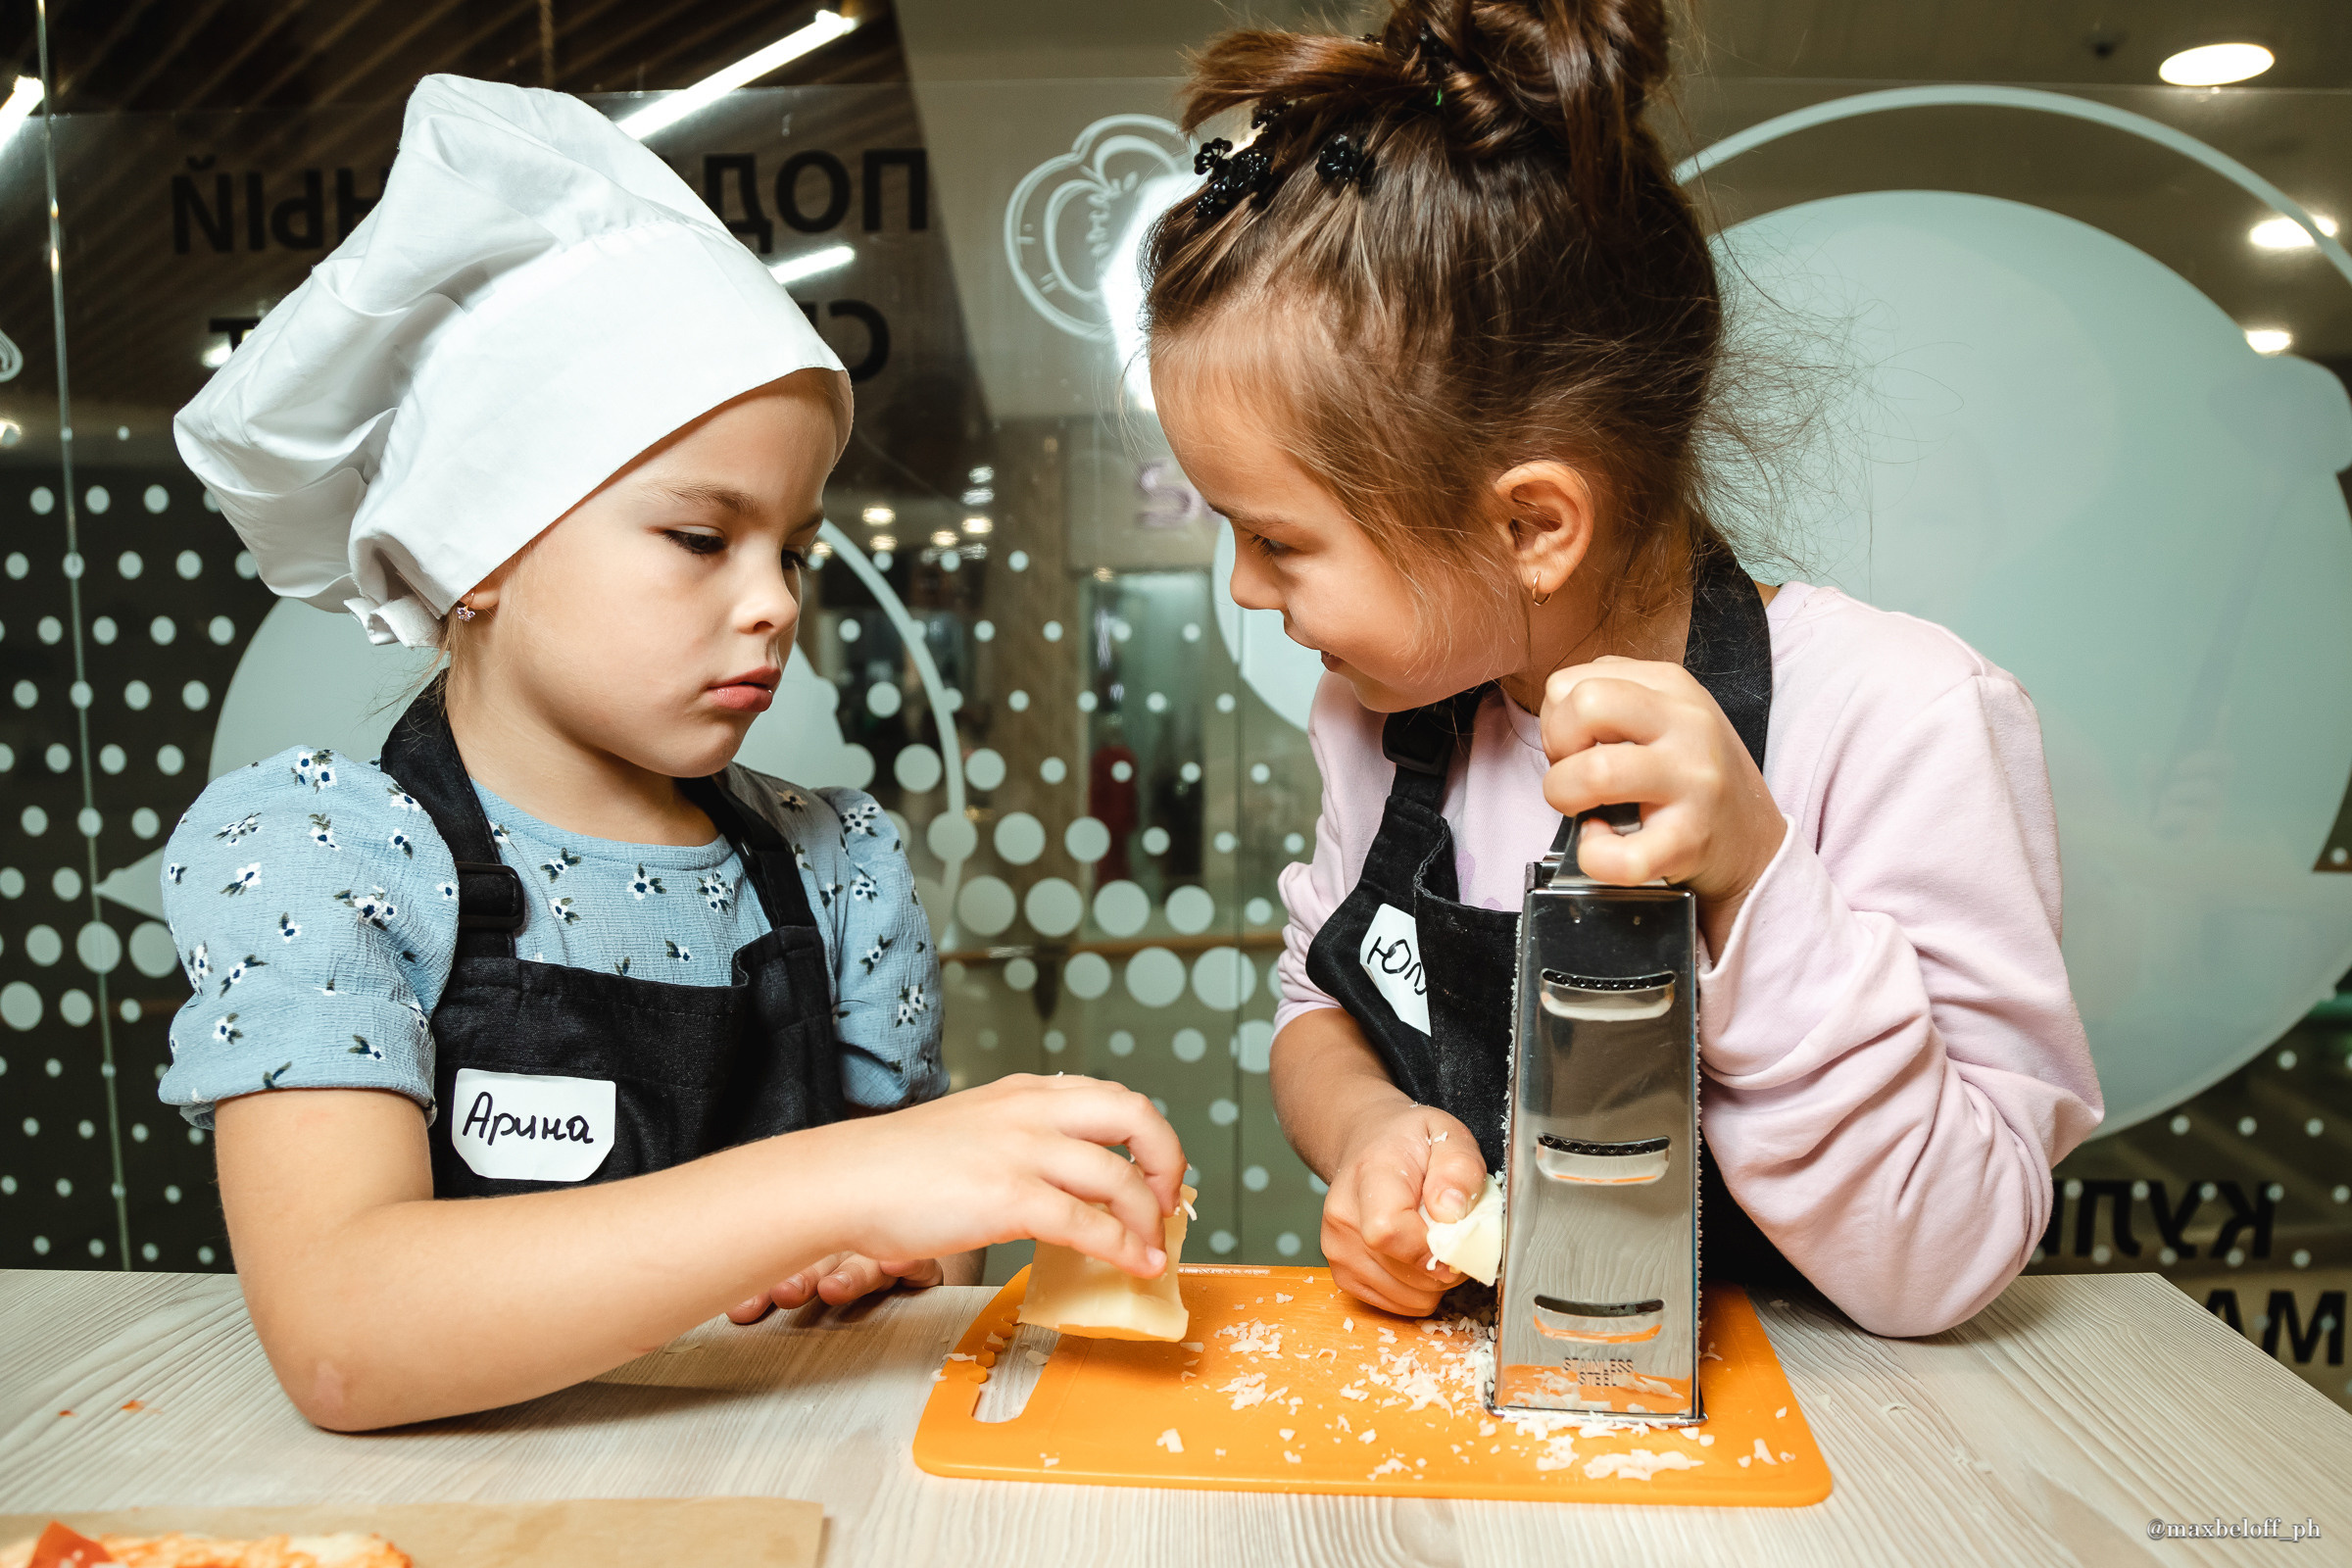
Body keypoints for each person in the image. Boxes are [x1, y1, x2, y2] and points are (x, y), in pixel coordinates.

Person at [161, 75, 1185, 1433]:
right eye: (703, 538)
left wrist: (895, 1249)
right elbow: (345, 1337)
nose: (773, 602)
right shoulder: (321, 857)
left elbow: (934, 1269)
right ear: (479, 551)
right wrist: (834, 1187)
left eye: (796, 548)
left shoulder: (839, 863)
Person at [1142, 0, 2102, 1337]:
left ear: (1532, 524)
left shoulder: (1899, 720)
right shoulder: (1380, 725)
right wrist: (1373, 1130)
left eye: (1279, 541)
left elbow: (1947, 1258)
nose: (1246, 588)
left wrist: (1755, 883)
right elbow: (1323, 1006)